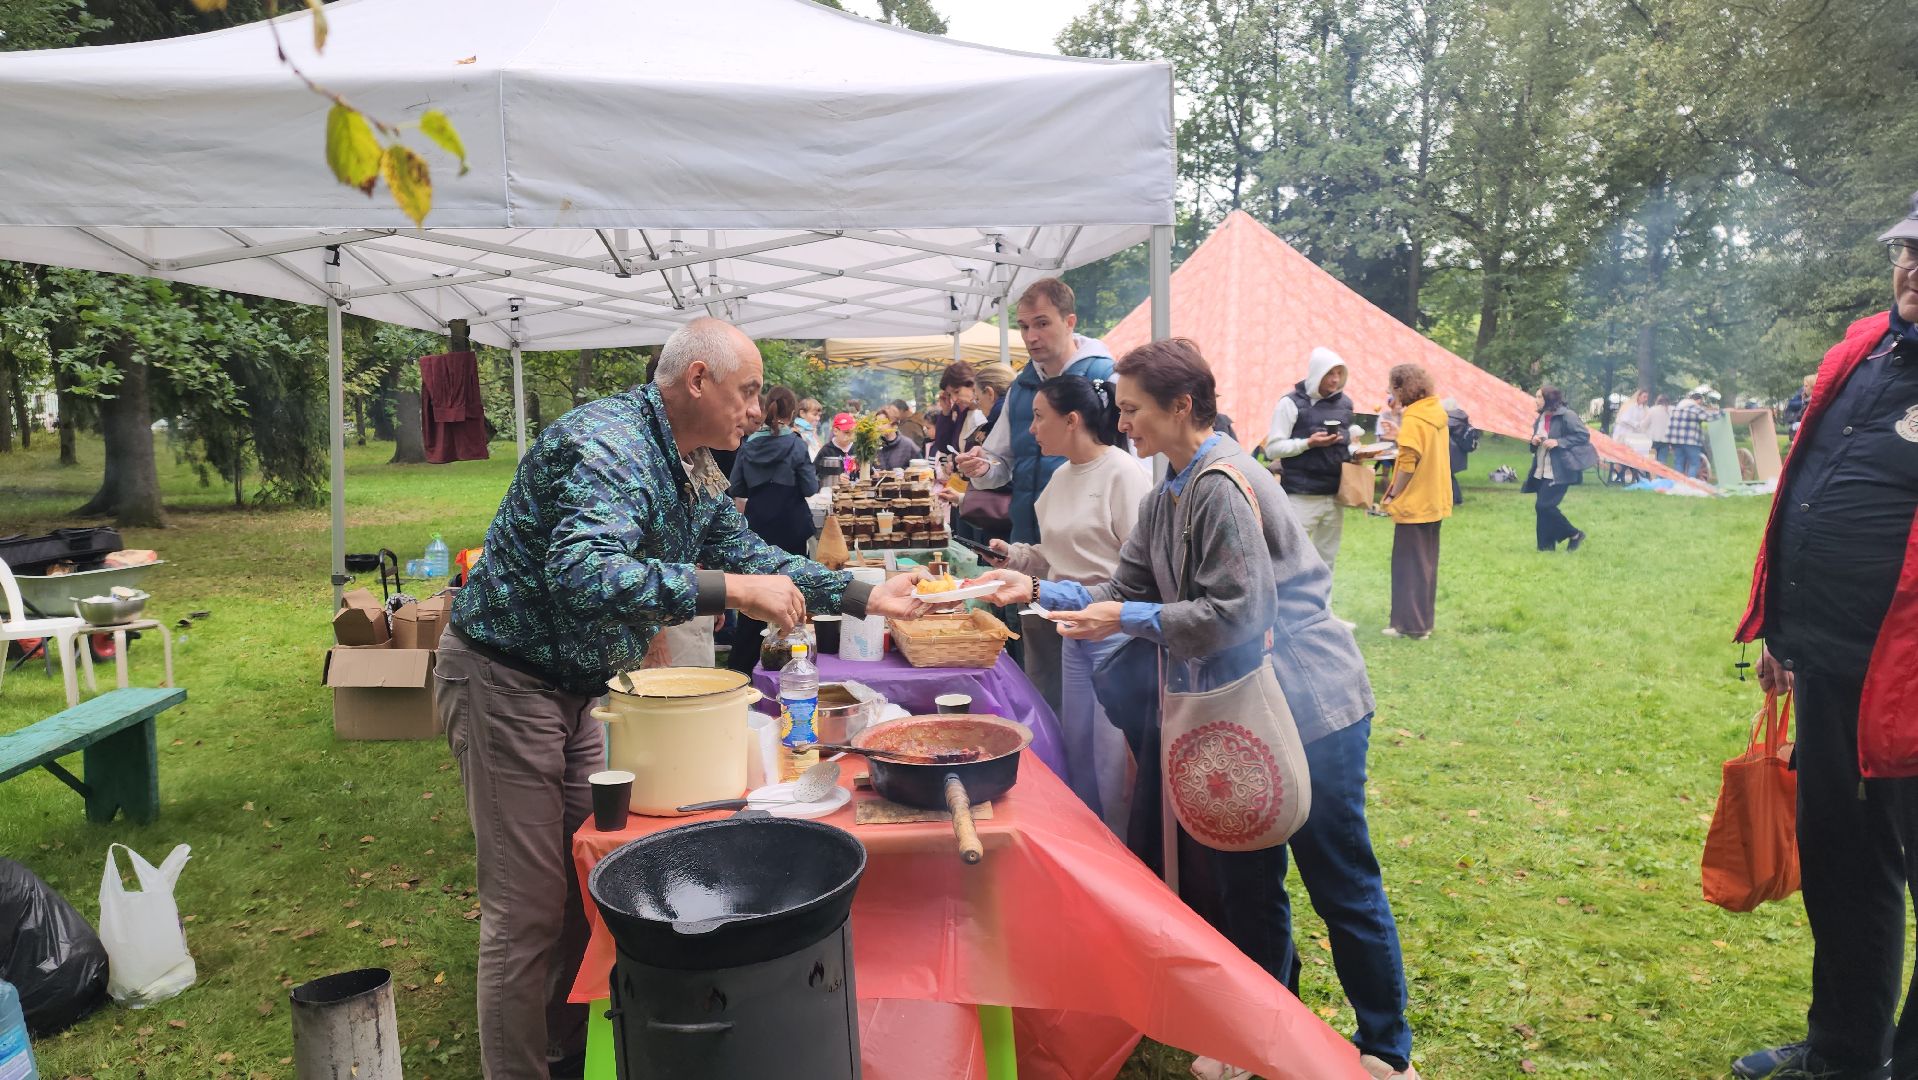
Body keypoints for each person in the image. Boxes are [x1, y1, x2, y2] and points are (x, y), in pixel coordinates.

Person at [439, 318, 930, 1080]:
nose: (755, 408)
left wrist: (866, 594)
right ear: (697, 380)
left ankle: (565, 1056)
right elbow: (585, 573)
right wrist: (726, 592)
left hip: (580, 689)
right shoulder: (609, 446)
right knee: (525, 910)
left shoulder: (689, 461)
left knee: (579, 887)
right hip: (507, 679)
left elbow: (747, 554)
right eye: (747, 390)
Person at [977, 338, 1417, 1080]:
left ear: (1183, 405)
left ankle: (1386, 1052)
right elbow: (1127, 591)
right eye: (1120, 410)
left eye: (1134, 410)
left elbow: (1235, 612)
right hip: (1238, 707)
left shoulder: (1222, 482)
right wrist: (1040, 592)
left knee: (1338, 877)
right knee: (1248, 881)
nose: (1125, 425)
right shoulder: (1169, 493)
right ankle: (1265, 1032)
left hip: (1311, 703)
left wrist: (1128, 621)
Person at [1730, 192, 1918, 1080]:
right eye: (1907, 250)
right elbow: (1800, 487)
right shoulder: (1864, 351)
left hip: (1911, 681)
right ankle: (1845, 1053)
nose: (1913, 268)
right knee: (1843, 868)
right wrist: (1782, 630)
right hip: (1833, 668)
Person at [989, 375, 1151, 833]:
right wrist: (1017, 556)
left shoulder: (1122, 473)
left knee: (1113, 762)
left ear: (1073, 420)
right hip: (1072, 630)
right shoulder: (1061, 476)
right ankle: (1089, 841)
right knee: (1077, 747)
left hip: (1117, 635)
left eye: (1040, 417)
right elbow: (1054, 558)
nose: (1032, 429)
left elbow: (1141, 570)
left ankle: (1122, 853)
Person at [952, 278, 1117, 543]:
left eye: (1042, 323)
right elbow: (999, 461)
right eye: (1024, 326)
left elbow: (1136, 469)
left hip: (1090, 549)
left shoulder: (1107, 378)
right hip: (1027, 543)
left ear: (1069, 322)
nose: (1031, 337)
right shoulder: (1019, 388)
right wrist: (981, 467)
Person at [726, 386, 822, 674]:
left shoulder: (749, 443)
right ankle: (792, 661)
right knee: (793, 589)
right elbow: (810, 487)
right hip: (790, 525)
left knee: (753, 594)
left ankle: (742, 666)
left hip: (758, 525)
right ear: (792, 413)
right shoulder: (795, 444)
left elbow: (736, 487)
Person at [1263, 346, 1355, 575]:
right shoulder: (1290, 403)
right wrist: (1308, 443)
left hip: (1334, 494)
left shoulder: (1345, 404)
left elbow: (1344, 444)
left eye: (1338, 374)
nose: (1335, 380)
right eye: (1329, 374)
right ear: (1316, 373)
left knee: (1327, 560)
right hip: (1300, 495)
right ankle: (1290, 610)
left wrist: (1354, 450)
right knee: (1293, 559)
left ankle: (1323, 609)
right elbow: (1273, 449)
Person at [1379, 364, 1451, 640]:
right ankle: (1421, 623)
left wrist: (1394, 494)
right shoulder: (1434, 412)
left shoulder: (1414, 418)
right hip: (1434, 502)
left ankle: (1412, 626)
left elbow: (1408, 463)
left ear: (1402, 388)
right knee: (1425, 565)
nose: (1389, 392)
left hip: (1416, 504)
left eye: (1392, 387)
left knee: (1408, 565)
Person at [1522, 385, 1597, 552]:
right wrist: (1533, 442)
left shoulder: (1567, 416)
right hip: (1541, 469)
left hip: (1560, 469)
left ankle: (1575, 534)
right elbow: (1537, 444)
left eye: (1539, 397)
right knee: (1542, 509)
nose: (1536, 400)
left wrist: (1559, 442)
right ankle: (1545, 547)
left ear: (1549, 399)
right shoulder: (1541, 418)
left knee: (1544, 506)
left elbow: (1583, 436)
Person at [929, 361, 977, 456]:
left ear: (971, 385)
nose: (954, 399)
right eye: (950, 394)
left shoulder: (987, 410)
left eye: (957, 391)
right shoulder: (959, 411)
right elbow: (944, 446)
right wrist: (946, 412)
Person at [1667, 390, 1714, 479]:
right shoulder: (1694, 408)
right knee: (1694, 462)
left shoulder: (1677, 409)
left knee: (1678, 462)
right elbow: (1709, 417)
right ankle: (1690, 484)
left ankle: (1678, 483)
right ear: (1698, 400)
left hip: (1676, 440)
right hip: (1691, 440)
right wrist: (1722, 412)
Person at [1443, 399, 1477, 506]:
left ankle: (1456, 500)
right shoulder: (1460, 417)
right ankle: (1453, 499)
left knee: (1448, 476)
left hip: (1451, 452)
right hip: (1457, 452)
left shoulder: (1451, 420)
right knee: (1448, 476)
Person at [814, 411, 858, 485]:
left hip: (857, 493)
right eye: (846, 432)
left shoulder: (858, 449)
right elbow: (815, 474)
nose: (850, 435)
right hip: (832, 494)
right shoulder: (826, 450)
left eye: (852, 432)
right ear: (835, 431)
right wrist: (835, 478)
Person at [1613, 389, 1655, 456]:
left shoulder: (1643, 408)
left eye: (1647, 397)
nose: (1646, 399)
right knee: (1621, 452)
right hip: (1623, 431)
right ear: (1638, 396)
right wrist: (1637, 424)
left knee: (1632, 452)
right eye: (1644, 397)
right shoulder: (1630, 406)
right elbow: (1625, 419)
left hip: (1633, 433)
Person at [1648, 393, 1675, 466]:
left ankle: (1652, 475)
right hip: (1666, 439)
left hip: (1653, 439)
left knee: (1651, 458)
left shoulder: (1652, 410)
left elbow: (1645, 424)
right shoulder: (1672, 410)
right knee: (1662, 459)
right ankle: (1660, 476)